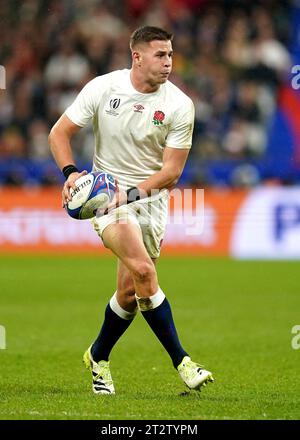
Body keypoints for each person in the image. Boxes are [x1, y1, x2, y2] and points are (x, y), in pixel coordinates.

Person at [49, 26, 214, 395]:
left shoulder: (180, 105)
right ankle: (183, 362)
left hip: (150, 201)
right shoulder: (103, 88)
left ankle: (98, 355)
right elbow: (58, 134)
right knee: (143, 270)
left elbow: (171, 173)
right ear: (136, 57)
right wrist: (72, 173)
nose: (168, 62)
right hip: (107, 198)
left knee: (129, 294)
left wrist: (133, 195)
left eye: (170, 54)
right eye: (160, 55)